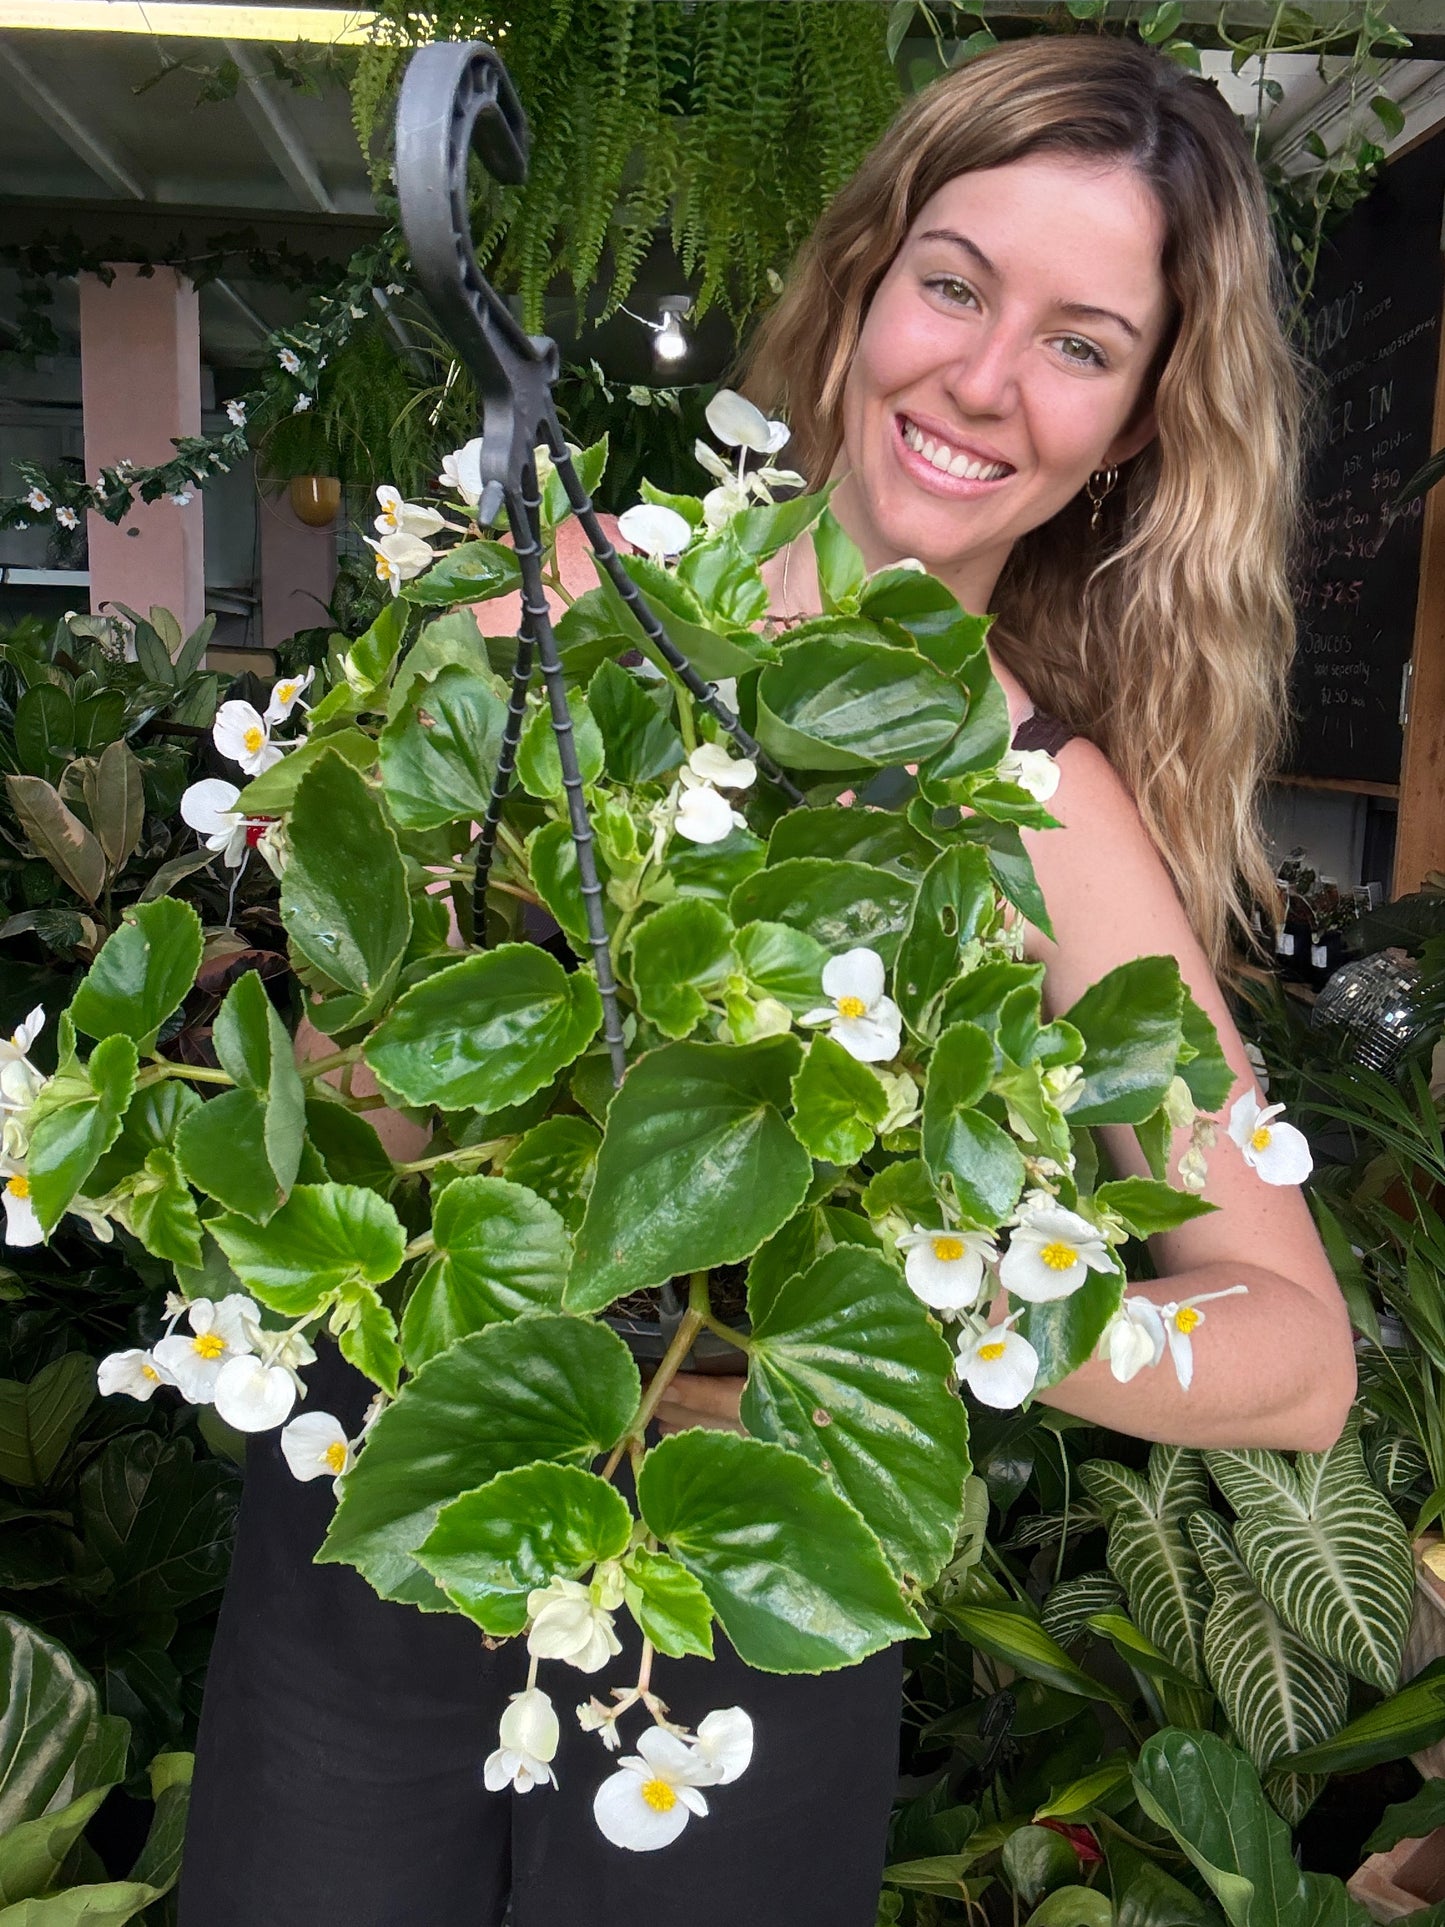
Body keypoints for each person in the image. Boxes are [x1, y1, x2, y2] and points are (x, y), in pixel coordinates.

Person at [178, 33, 1356, 1927]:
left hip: (731, 1622)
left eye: (1078, 341)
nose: (980, 379)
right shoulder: (551, 610)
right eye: (953, 286)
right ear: (865, 283)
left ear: (1135, 425)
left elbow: (1297, 1360)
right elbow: (322, 1075)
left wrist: (953, 1306)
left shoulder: (1044, 812)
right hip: (384, 1540)